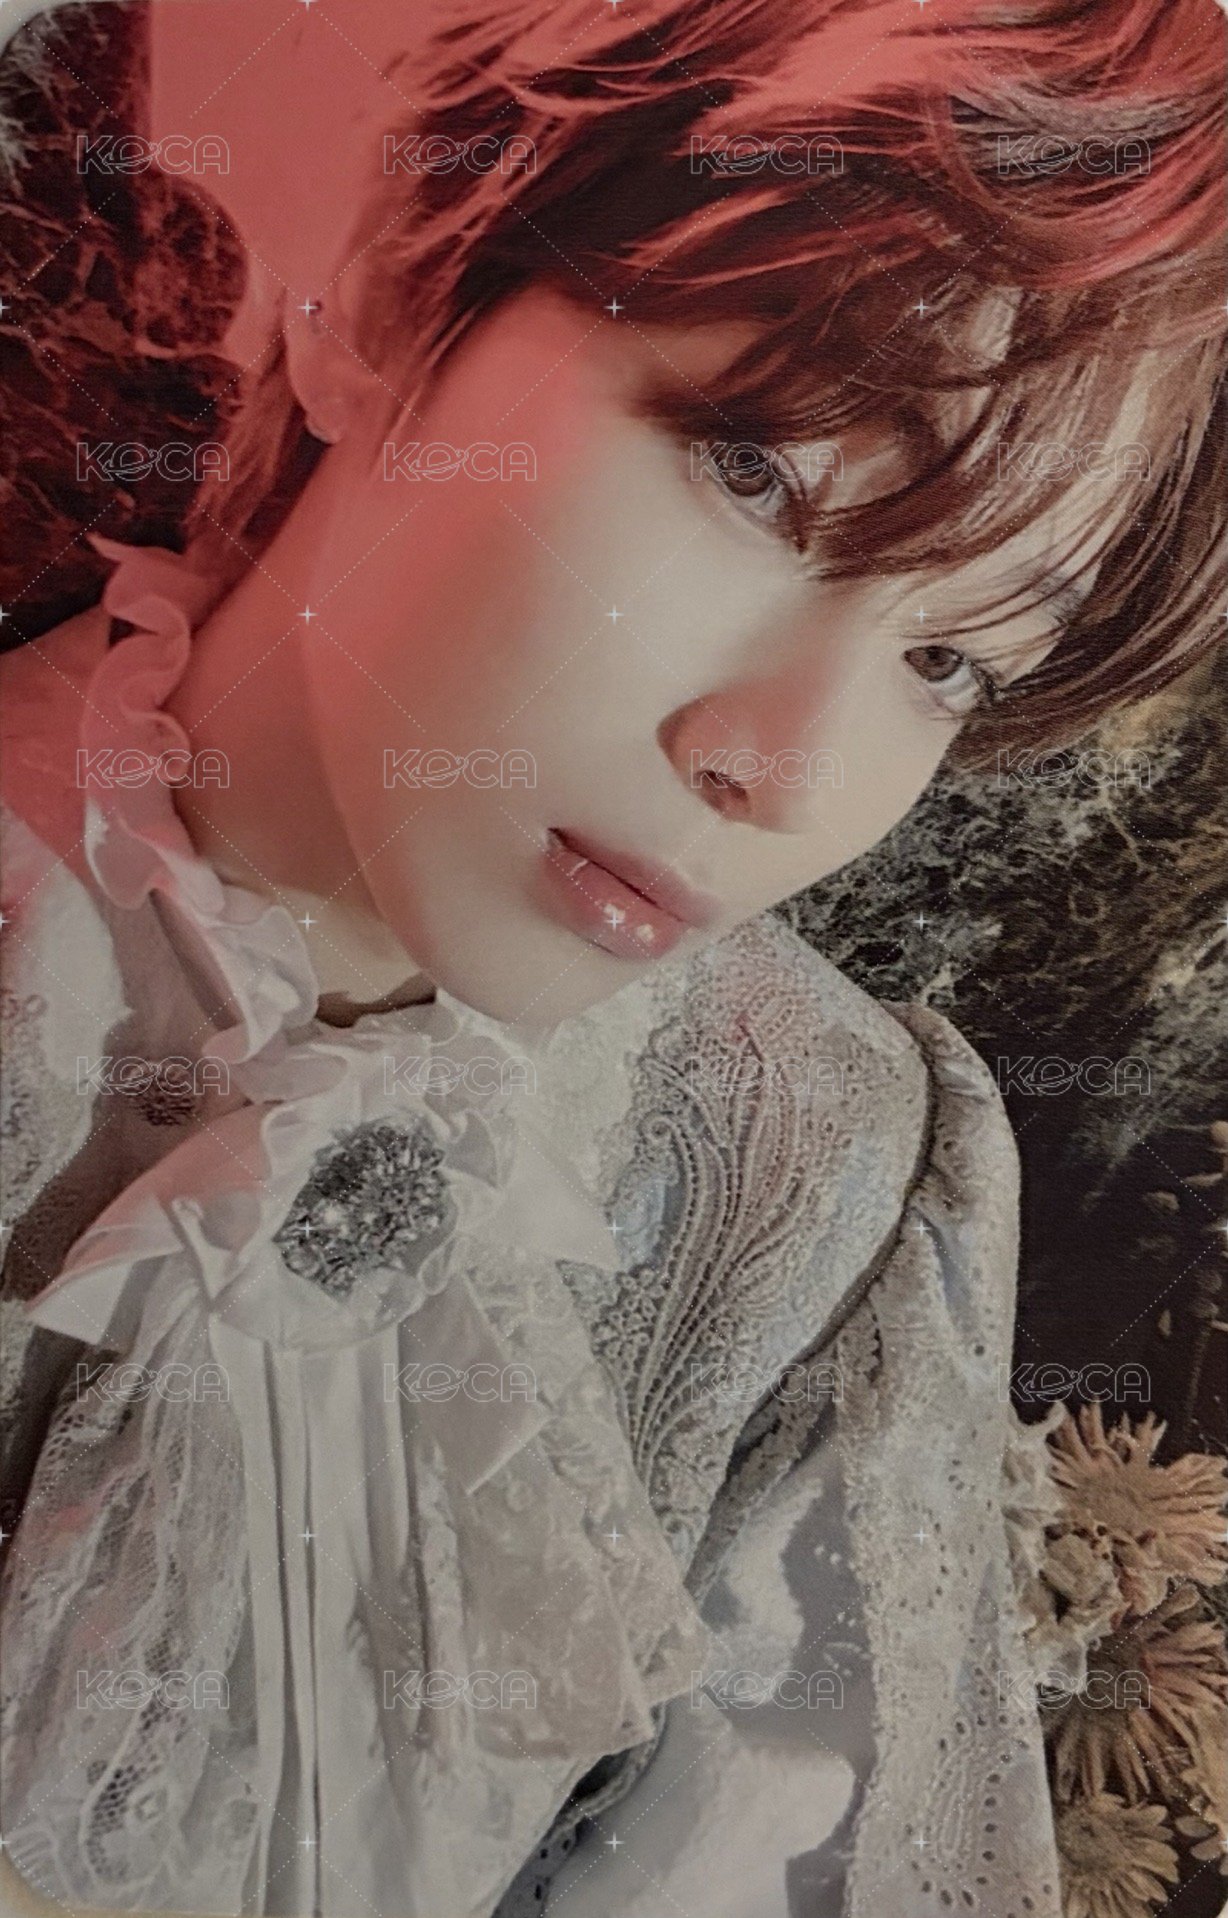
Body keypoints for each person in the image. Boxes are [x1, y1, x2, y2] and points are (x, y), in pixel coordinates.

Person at [0, 0, 1223, 1913]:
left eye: (951, 659)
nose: (785, 771)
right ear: (395, 302)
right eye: (759, 472)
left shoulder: (816, 1163)